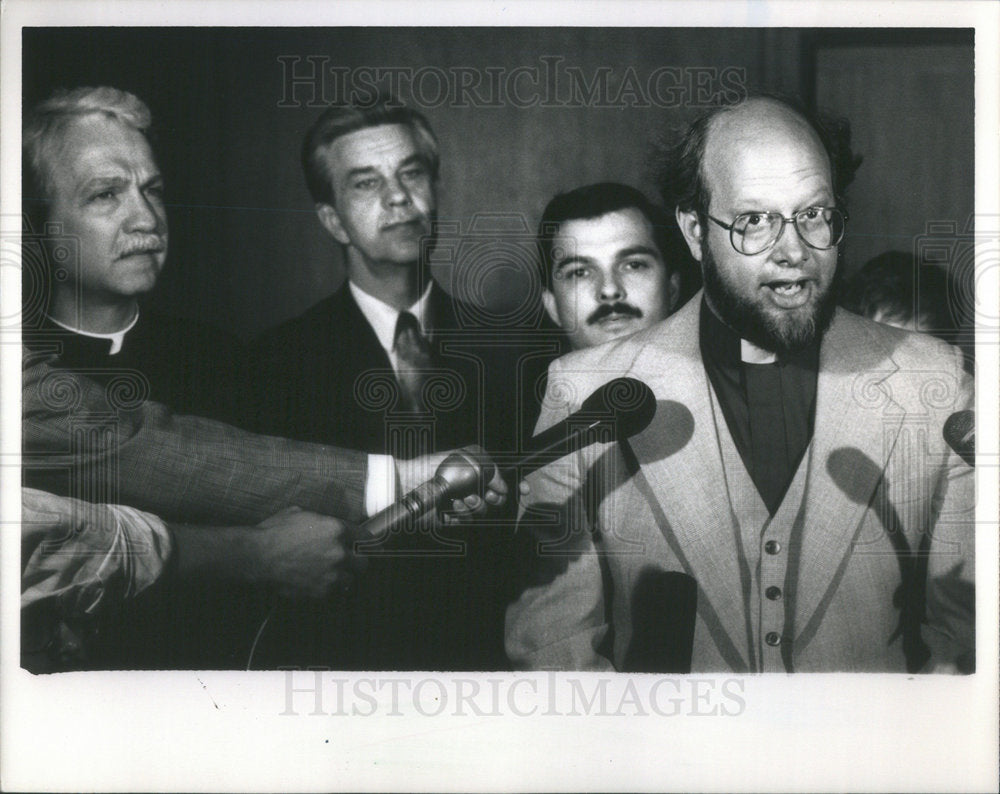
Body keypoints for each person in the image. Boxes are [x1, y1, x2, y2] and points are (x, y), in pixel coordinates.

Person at [506, 95, 974, 674]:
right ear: (694, 230)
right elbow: (555, 653)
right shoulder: (583, 393)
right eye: (754, 221)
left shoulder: (934, 384)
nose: (794, 252)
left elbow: (966, 642)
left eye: (815, 215)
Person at [249, 95, 517, 669]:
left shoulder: (516, 350)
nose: (399, 198)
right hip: (342, 673)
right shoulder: (273, 365)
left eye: (411, 173)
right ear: (331, 219)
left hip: (494, 670)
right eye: (366, 184)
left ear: (436, 190)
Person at [22, 86, 240, 423]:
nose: (148, 219)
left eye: (152, 190)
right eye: (106, 194)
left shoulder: (224, 360)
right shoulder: (19, 370)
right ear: (40, 222)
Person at [521, 182, 696, 438]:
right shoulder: (515, 427)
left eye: (633, 265)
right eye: (579, 272)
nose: (610, 290)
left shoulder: (737, 402)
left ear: (672, 287)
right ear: (551, 305)